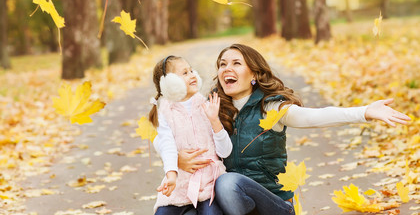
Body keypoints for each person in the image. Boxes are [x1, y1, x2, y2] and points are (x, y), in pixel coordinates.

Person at [177, 44, 411, 215]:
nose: (227, 68)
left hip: (273, 204)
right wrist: (179, 160)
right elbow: (181, 138)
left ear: (254, 74)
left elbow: (316, 116)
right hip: (232, 204)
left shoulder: (271, 107)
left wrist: (365, 112)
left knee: (227, 183)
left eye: (237, 63)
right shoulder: (214, 110)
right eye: (222, 64)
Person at [149, 55, 233, 215]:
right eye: (185, 73)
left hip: (209, 185)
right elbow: (167, 145)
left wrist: (215, 121)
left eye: (191, 70)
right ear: (169, 83)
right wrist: (171, 175)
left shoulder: (206, 106)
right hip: (179, 186)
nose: (192, 75)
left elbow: (225, 152)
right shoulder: (165, 113)